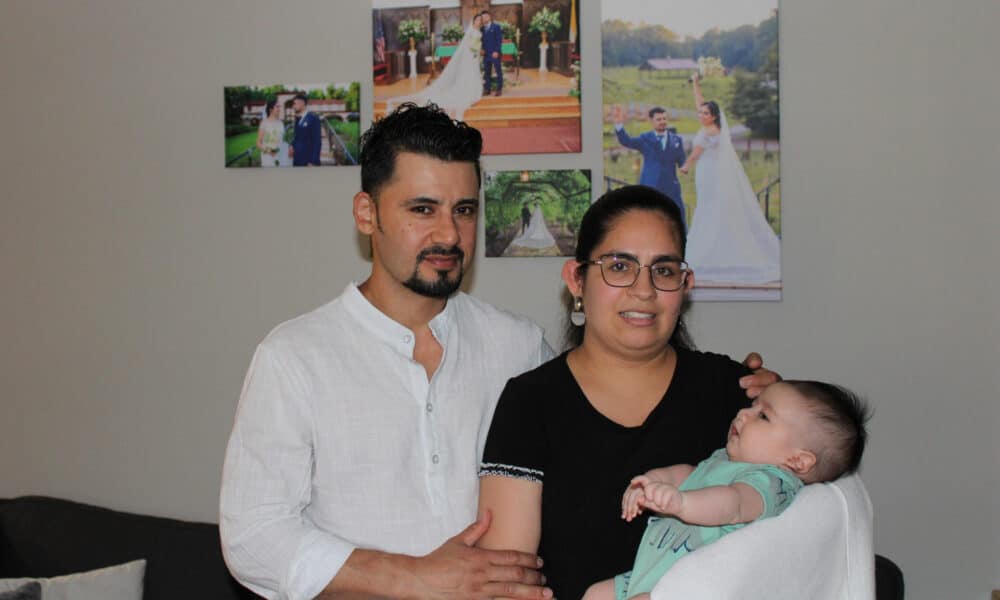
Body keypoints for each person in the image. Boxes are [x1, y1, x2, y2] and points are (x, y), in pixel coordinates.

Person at [220, 103, 556, 600]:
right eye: (422, 209)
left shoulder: (521, 347)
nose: (448, 234)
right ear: (366, 213)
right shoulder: (293, 358)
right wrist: (415, 577)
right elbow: (252, 536)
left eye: (463, 210)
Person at [476, 185, 780, 600]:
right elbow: (506, 578)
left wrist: (787, 411)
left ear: (685, 284)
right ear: (576, 279)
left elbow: (790, 528)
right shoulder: (531, 402)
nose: (644, 290)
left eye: (664, 270)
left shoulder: (735, 394)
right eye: (620, 266)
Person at [582, 380, 871, 600]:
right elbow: (689, 473)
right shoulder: (727, 458)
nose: (745, 413)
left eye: (763, 416)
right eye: (753, 404)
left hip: (680, 587)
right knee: (596, 594)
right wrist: (654, 480)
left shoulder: (771, 482)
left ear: (797, 460)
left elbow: (733, 504)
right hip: (649, 571)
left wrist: (682, 503)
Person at [679, 73, 780, 284]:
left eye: (704, 113)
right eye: (700, 112)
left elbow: (696, 152)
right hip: (709, 170)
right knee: (707, 205)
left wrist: (686, 166)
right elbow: (700, 103)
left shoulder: (709, 131)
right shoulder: (714, 125)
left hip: (708, 172)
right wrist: (695, 83)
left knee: (707, 206)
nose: (700, 114)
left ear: (713, 116)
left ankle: (705, 252)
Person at [387, 13, 485, 120]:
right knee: (468, 73)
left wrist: (477, 50)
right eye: (477, 20)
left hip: (474, 56)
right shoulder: (470, 31)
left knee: (473, 73)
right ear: (474, 21)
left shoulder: (479, 31)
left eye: (480, 20)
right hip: (469, 55)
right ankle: (466, 90)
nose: (478, 22)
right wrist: (474, 49)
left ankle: (473, 89)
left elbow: (477, 44)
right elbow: (467, 45)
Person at [612, 105, 687, 227]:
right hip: (650, 185)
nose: (663, 122)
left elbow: (682, 161)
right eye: (659, 119)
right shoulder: (645, 139)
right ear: (651, 121)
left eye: (664, 118)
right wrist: (619, 125)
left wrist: (686, 166)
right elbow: (627, 141)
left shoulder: (676, 139)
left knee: (678, 220)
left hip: (671, 187)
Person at [289, 93, 322, 166]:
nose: (293, 106)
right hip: (297, 160)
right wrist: (292, 145)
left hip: (308, 161)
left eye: (295, 104)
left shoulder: (313, 118)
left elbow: (317, 142)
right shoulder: (297, 120)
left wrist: (313, 161)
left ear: (302, 103)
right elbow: (297, 137)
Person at [255, 99, 286, 168]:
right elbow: (258, 143)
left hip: (280, 158)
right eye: (277, 107)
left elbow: (282, 141)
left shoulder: (281, 123)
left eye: (279, 107)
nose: (279, 109)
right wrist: (269, 151)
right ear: (271, 109)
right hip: (267, 160)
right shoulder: (264, 123)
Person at [480, 10, 503, 97]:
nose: (484, 18)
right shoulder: (482, 29)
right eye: (482, 18)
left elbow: (499, 40)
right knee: (487, 72)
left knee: (498, 71)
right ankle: (487, 89)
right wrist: (482, 49)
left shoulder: (496, 27)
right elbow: (481, 41)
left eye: (486, 16)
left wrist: (496, 51)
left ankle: (499, 89)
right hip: (486, 54)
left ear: (489, 17)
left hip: (495, 53)